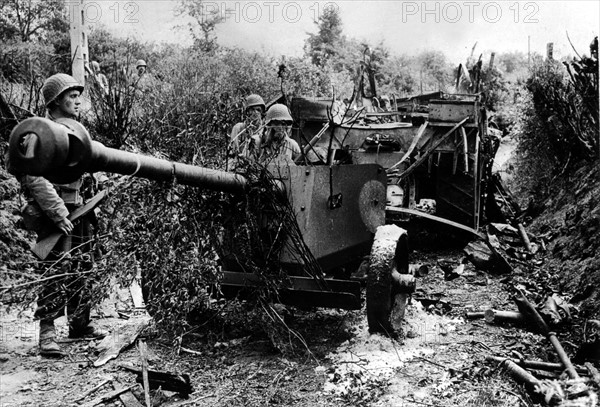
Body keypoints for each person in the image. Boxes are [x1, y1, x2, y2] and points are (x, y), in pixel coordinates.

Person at [12, 73, 105, 357]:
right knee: (55, 270)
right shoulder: (40, 132)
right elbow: (34, 178)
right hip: (57, 214)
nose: (78, 101)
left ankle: (80, 323)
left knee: (83, 265)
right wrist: (58, 212)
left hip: (81, 210)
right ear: (55, 101)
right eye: (71, 96)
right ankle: (48, 333)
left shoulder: (75, 129)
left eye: (79, 96)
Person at [229, 94, 266, 161]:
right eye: (252, 109)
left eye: (258, 110)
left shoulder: (264, 131)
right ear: (247, 111)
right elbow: (233, 151)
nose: (255, 112)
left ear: (262, 112)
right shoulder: (239, 128)